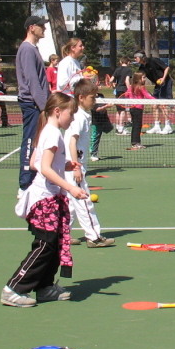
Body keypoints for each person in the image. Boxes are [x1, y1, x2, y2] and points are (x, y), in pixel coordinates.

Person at [3, 92, 89, 306]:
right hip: (44, 199)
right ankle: (13, 288)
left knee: (54, 244)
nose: (72, 119)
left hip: (51, 198)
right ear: (58, 111)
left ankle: (45, 287)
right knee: (45, 245)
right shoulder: (52, 134)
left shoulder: (48, 132)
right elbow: (43, 168)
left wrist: (65, 166)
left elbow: (34, 162)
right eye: (71, 113)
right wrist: (71, 187)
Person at [64, 79, 116, 249]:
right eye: (92, 98)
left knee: (71, 204)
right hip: (73, 167)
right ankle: (93, 237)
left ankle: (61, 236)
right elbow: (72, 142)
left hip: (75, 166)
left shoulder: (84, 114)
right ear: (81, 97)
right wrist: (76, 166)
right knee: (84, 201)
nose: (95, 101)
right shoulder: (77, 117)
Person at [16, 17, 51, 192]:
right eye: (41, 26)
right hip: (32, 105)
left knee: (39, 142)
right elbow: (32, 81)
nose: (44, 28)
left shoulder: (33, 49)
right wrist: (44, 107)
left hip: (39, 105)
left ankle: (34, 180)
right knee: (30, 142)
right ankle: (24, 185)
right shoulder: (27, 50)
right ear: (32, 28)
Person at [133, 51, 174, 134]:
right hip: (157, 85)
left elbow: (167, 68)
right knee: (154, 105)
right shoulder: (141, 68)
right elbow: (139, 78)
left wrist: (163, 78)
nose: (135, 59)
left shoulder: (154, 60)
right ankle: (157, 126)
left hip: (166, 82)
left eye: (136, 57)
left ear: (141, 57)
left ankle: (167, 126)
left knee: (163, 104)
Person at [122, 71, 154, 149]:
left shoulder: (131, 87)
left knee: (135, 125)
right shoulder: (141, 87)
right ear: (138, 79)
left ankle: (134, 142)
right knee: (137, 126)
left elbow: (126, 95)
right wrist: (157, 101)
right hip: (138, 109)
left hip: (132, 109)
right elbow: (148, 96)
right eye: (143, 77)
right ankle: (136, 143)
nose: (145, 79)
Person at [111, 55, 136, 135]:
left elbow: (111, 80)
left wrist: (113, 86)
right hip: (124, 91)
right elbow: (127, 81)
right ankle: (121, 129)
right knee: (123, 111)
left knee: (118, 110)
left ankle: (118, 127)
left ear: (120, 62)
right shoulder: (128, 70)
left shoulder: (117, 69)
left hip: (117, 91)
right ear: (128, 62)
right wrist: (130, 91)